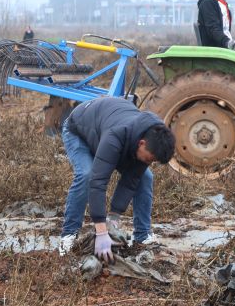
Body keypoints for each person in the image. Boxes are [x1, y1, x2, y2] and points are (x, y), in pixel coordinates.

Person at [58, 96, 176, 262]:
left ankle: (142, 235)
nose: (151, 162)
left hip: (105, 129)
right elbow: (98, 183)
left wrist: (113, 218)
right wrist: (101, 231)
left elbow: (131, 181)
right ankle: (68, 235)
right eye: (150, 159)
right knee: (87, 174)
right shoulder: (116, 136)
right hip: (79, 131)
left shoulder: (155, 135)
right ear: (141, 143)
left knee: (145, 177)